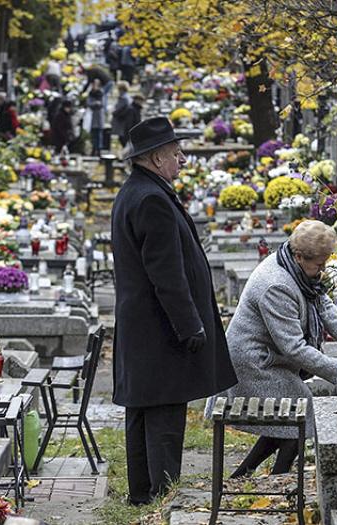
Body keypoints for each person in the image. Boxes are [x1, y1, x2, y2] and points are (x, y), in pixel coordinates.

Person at [111, 117, 237, 505]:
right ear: (154, 157)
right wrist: (189, 326)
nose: (182, 159)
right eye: (176, 152)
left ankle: (142, 493)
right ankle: (162, 496)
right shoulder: (150, 199)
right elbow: (167, 273)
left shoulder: (138, 191)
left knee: (143, 409)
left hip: (142, 326)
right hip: (160, 329)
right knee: (163, 413)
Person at [213, 220, 337, 478]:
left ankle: (242, 476)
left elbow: (324, 306)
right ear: (299, 256)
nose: (323, 270)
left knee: (286, 419)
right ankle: (278, 482)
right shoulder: (276, 285)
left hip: (268, 358)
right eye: (319, 265)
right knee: (301, 411)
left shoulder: (297, 269)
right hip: (252, 364)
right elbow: (294, 348)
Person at [111, 82, 133, 149]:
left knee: (123, 138)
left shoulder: (123, 98)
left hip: (122, 121)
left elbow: (119, 109)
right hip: (125, 120)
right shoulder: (127, 97)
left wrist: (113, 112)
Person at [87, 80, 105, 155]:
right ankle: (94, 149)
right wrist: (95, 104)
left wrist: (94, 104)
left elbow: (101, 104)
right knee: (93, 134)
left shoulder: (101, 93)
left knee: (99, 134)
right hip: (92, 115)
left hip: (98, 116)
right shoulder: (91, 93)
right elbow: (89, 103)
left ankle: (98, 150)